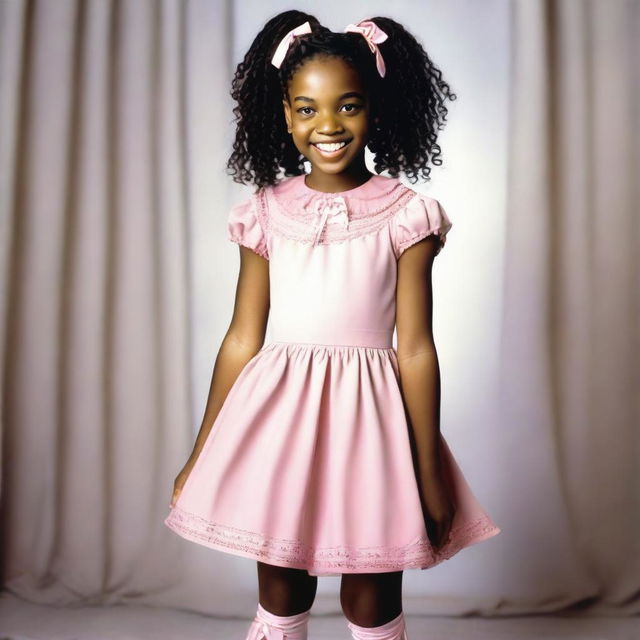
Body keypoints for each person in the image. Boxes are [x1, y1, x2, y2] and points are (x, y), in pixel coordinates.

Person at [164, 10, 501, 640]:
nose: (327, 125)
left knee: (372, 595)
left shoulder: (408, 215)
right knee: (282, 587)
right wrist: (201, 449)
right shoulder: (264, 213)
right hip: (280, 426)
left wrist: (428, 471)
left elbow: (417, 348)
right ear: (284, 115)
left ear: (376, 108)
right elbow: (243, 337)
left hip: (373, 426)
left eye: (347, 106)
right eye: (307, 108)